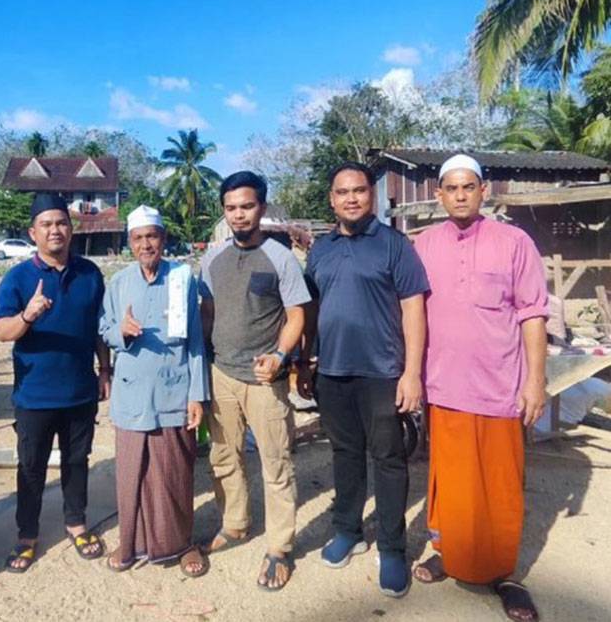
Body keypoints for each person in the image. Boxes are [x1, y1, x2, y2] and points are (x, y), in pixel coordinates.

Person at [412, 155, 547, 622]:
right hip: (444, 385)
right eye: (451, 188)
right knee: (449, 482)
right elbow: (409, 313)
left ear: (483, 191)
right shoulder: (424, 245)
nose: (461, 194)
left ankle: (503, 572)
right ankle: (449, 554)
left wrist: (536, 379)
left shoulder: (514, 242)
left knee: (501, 484)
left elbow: (532, 312)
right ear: (439, 194)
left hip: (499, 385)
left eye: (469, 186)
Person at [297, 161, 428, 598]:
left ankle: (392, 548)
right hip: (332, 371)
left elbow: (414, 308)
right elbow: (311, 309)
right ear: (331, 199)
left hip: (382, 372)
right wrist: (304, 361)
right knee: (345, 453)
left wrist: (412, 373)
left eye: (359, 190)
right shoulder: (320, 250)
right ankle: (348, 530)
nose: (351, 198)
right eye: (342, 192)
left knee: (388, 459)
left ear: (371, 195)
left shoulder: (394, 245)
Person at [199, 171, 311, 591]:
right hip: (221, 374)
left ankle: (280, 547)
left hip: (265, 380)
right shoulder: (213, 259)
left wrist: (282, 356)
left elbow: (297, 314)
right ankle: (235, 523)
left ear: (261, 208)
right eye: (231, 208)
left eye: (247, 206)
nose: (239, 215)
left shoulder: (281, 258)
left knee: (276, 463)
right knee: (224, 458)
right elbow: (207, 313)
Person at [0, 193, 112, 572]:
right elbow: (0, 332)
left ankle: (76, 522)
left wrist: (104, 370)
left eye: (61, 222)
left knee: (77, 462)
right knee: (31, 466)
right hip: (34, 393)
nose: (55, 230)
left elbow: (99, 330)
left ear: (71, 228)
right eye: (46, 224)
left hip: (80, 390)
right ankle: (27, 535)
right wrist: (27, 315)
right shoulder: (18, 277)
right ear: (33, 232)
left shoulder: (91, 274)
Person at [99, 205, 209, 577]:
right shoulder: (119, 283)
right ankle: (130, 542)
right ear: (130, 243)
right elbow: (104, 330)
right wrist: (121, 333)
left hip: (172, 393)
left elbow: (195, 341)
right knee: (131, 474)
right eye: (138, 238)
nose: (146, 244)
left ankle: (183, 544)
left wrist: (198, 395)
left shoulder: (182, 277)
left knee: (174, 475)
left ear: (163, 239)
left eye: (152, 236)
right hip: (131, 396)